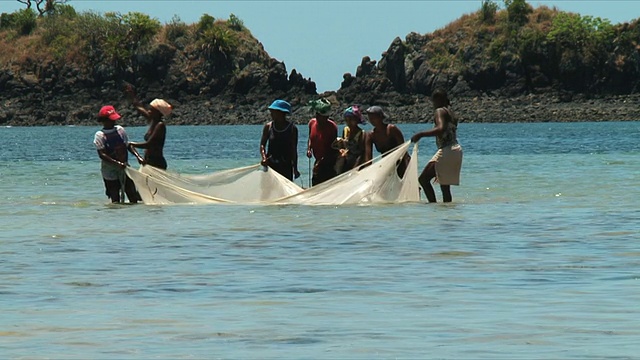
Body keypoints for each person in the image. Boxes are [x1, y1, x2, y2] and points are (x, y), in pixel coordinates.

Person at [411, 89, 463, 203]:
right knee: (445, 187)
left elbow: (440, 129)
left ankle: (432, 206)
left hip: (447, 150)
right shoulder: (450, 112)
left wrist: (421, 134)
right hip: (456, 150)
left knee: (423, 179)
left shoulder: (439, 111)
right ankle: (446, 214)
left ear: (437, 100)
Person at [94, 105, 144, 204]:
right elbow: (102, 155)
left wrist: (138, 156)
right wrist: (117, 163)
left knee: (132, 195)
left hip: (124, 166)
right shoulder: (100, 135)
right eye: (111, 120)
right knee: (115, 198)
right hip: (109, 170)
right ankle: (116, 217)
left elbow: (127, 145)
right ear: (104, 120)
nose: (113, 122)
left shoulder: (120, 130)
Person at [124, 84, 172, 170]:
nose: (148, 111)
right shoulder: (152, 120)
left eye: (151, 110)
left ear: (158, 112)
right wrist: (132, 94)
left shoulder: (160, 125)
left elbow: (149, 144)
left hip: (157, 163)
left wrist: (132, 144)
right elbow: (138, 106)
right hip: (148, 161)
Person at [363, 105, 410, 177]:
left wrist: (408, 170)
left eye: (374, 117)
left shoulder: (391, 129)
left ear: (381, 117)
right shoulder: (370, 135)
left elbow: (403, 150)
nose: (371, 120)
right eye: (370, 118)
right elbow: (368, 158)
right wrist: (366, 172)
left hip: (401, 162)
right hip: (387, 165)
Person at [260, 99, 300, 181]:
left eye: (273, 112)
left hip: (285, 166)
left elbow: (294, 150)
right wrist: (264, 158)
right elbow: (262, 145)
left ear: (281, 113)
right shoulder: (268, 127)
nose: (271, 114)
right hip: (271, 165)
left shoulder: (292, 129)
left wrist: (295, 169)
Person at [306, 98, 338, 185]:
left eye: (326, 117)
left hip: (329, 163)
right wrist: (309, 149)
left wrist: (321, 163)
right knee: (315, 185)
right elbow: (310, 138)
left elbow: (333, 148)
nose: (325, 119)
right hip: (317, 160)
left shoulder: (332, 127)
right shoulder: (311, 123)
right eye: (323, 117)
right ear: (317, 115)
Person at [333, 105, 366, 174]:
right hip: (345, 161)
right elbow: (343, 147)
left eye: (351, 119)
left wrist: (355, 168)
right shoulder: (345, 130)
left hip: (355, 163)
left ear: (356, 120)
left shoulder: (361, 134)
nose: (349, 122)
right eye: (347, 120)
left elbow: (361, 154)